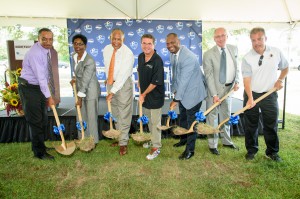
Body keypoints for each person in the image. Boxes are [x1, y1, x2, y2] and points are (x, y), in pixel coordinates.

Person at [241, 27, 289, 162]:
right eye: (253, 40)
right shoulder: (247, 58)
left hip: (270, 94)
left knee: (271, 124)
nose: (257, 43)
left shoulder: (276, 52)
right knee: (251, 125)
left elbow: (285, 67)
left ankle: (272, 152)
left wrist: (280, 80)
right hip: (252, 94)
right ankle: (251, 150)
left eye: (260, 39)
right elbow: (246, 80)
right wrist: (250, 98)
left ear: (265, 38)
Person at [166, 33, 207, 160]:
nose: (170, 46)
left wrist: (175, 99)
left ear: (179, 41)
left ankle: (190, 150)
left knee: (191, 123)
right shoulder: (173, 54)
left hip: (193, 94)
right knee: (183, 118)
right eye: (168, 43)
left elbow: (184, 80)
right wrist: (175, 91)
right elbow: (176, 75)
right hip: (183, 93)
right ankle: (183, 140)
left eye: (173, 42)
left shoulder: (188, 57)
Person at [18, 28, 55, 160]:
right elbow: (41, 77)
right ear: (39, 39)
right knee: (36, 121)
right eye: (44, 39)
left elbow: (45, 75)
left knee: (43, 119)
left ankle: (41, 146)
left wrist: (47, 92)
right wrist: (49, 97)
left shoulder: (46, 51)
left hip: (37, 87)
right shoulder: (35, 53)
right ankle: (39, 152)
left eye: (50, 39)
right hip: (29, 88)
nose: (47, 42)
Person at [203, 27, 240, 155]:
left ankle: (227, 141)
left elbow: (237, 67)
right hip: (215, 91)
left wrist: (237, 81)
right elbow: (208, 75)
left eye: (223, 35)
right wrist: (214, 94)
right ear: (214, 39)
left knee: (226, 116)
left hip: (229, 89)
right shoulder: (208, 54)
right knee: (212, 117)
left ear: (227, 36)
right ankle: (213, 145)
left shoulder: (233, 49)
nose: (220, 38)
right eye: (218, 36)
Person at [103, 28, 134, 156]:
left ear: (123, 39)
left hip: (123, 85)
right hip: (111, 83)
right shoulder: (106, 49)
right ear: (110, 38)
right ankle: (118, 137)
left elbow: (122, 75)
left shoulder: (128, 53)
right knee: (115, 112)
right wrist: (108, 79)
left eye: (119, 39)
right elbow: (108, 66)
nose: (116, 42)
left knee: (124, 114)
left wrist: (113, 91)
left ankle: (123, 143)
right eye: (113, 39)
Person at [138, 34, 165, 160]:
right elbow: (140, 71)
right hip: (145, 95)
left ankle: (156, 147)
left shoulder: (158, 60)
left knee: (155, 123)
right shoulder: (140, 56)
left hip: (155, 97)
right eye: (144, 43)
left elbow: (155, 82)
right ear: (141, 44)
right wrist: (139, 84)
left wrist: (143, 94)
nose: (146, 46)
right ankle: (152, 139)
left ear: (154, 45)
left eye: (149, 43)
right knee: (148, 120)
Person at [70, 34, 101, 144]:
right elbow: (79, 74)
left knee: (91, 117)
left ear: (85, 46)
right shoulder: (74, 56)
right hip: (81, 89)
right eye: (75, 43)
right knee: (81, 115)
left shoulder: (89, 60)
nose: (77, 46)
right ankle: (83, 139)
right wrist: (74, 79)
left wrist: (79, 97)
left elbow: (86, 79)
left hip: (90, 90)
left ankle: (93, 142)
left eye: (80, 44)